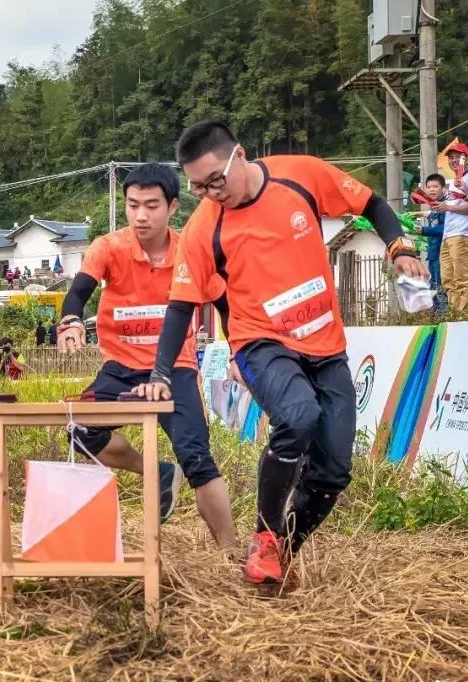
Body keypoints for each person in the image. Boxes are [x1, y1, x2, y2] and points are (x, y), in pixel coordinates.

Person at [135, 121, 426, 586]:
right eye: (197, 187)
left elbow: (369, 202)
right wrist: (161, 371)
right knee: (297, 416)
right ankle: (265, 537)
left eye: (215, 181)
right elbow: (180, 307)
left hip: (326, 345)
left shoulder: (300, 176)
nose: (210, 193)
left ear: (240, 157)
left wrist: (399, 245)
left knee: (334, 472)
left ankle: (283, 547)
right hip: (259, 342)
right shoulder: (202, 230)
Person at [57, 162, 236, 549]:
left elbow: (226, 304)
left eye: (151, 205)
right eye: (132, 204)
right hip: (120, 368)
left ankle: (230, 550)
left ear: (173, 207)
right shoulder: (108, 248)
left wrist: (239, 351)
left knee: (198, 459)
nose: (140, 215)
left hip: (175, 370)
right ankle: (152, 471)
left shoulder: (193, 253)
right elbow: (78, 293)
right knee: (80, 431)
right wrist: (70, 321)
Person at [439, 141, 468, 312]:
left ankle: (465, 317)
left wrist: (449, 207)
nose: (454, 161)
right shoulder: (452, 182)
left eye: (458, 158)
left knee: (462, 279)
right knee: (447, 279)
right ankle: (455, 313)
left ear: (467, 159)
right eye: (451, 158)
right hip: (448, 235)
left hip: (462, 234)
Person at [418, 173, 446, 309]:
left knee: (441, 288)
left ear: (443, 188)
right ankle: (436, 317)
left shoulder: (444, 206)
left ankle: (444, 317)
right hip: (433, 253)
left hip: (442, 253)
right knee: (433, 288)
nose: (432, 190)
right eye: (429, 187)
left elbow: (444, 228)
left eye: (435, 186)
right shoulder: (433, 207)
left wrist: (423, 230)